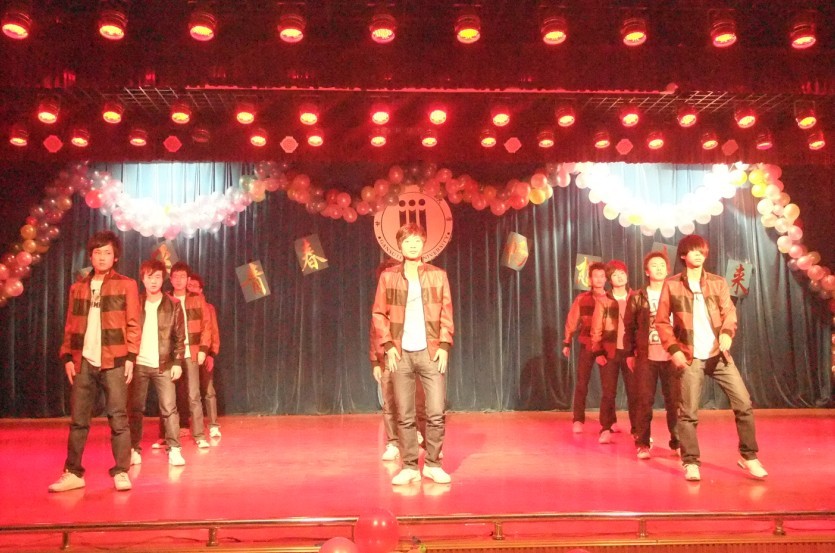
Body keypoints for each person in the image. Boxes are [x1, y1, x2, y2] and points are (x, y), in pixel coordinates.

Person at [655, 234, 767, 482]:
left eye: (702, 251)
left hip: (718, 354)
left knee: (744, 403)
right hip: (690, 355)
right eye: (693, 251)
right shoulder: (672, 285)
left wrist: (727, 333)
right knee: (688, 412)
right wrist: (673, 349)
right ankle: (690, 461)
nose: (699, 255)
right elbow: (661, 321)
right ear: (683, 255)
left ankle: (748, 456)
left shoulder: (717, 282)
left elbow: (729, 313)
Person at [49, 230, 140, 492]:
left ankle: (121, 471)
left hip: (114, 359)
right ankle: (73, 472)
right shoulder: (78, 287)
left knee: (118, 418)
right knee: (78, 420)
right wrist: (68, 356)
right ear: (90, 256)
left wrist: (131, 356)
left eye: (107, 253)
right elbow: (71, 325)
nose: (102, 257)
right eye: (97, 252)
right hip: (84, 360)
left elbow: (134, 323)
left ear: (115, 257)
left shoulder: (126, 285)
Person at [372, 224, 454, 485]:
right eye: (407, 241)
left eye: (417, 240)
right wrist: (388, 345)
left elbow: (446, 313)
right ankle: (409, 466)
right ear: (400, 245)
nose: (413, 245)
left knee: (436, 411)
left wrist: (444, 345)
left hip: (430, 352)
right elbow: (378, 314)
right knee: (405, 414)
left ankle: (433, 464)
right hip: (401, 353)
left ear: (424, 243)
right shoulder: (389, 277)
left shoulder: (438, 275)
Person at [128, 259, 186, 467]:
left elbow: (180, 336)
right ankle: (133, 449)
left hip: (165, 364)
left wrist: (177, 362)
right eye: (149, 277)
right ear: (142, 279)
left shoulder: (173, 304)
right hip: (139, 363)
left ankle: (174, 449)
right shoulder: (135, 302)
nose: (153, 281)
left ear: (163, 279)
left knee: (169, 408)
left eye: (158, 277)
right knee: (135, 409)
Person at [622, 251, 680, 460]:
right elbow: (629, 328)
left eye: (662, 265)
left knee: (674, 402)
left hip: (672, 356)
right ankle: (643, 443)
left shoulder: (676, 293)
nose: (659, 268)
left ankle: (677, 442)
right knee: (644, 401)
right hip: (647, 357)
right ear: (647, 271)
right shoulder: (638, 296)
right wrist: (630, 354)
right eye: (654, 265)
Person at [370, 258, 429, 462]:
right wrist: (375, 362)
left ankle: (422, 438)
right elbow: (374, 333)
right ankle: (393, 442)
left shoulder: (411, 299)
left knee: (418, 401)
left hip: (412, 353)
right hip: (387, 358)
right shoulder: (380, 306)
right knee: (390, 402)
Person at [590, 260, 638, 444]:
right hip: (610, 352)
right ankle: (606, 428)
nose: (620, 277)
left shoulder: (636, 297)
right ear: (610, 279)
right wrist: (598, 352)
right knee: (608, 393)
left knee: (634, 393)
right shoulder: (604, 301)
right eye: (615, 274)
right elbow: (596, 328)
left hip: (631, 352)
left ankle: (637, 429)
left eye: (622, 273)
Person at [169, 262, 212, 448]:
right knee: (168, 397)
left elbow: (207, 325)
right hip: (171, 354)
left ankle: (199, 435)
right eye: (175, 276)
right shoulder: (166, 299)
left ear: (188, 279)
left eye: (182, 277)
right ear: (170, 279)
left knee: (194, 395)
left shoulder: (197, 299)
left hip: (192, 351)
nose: (179, 280)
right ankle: (168, 436)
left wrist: (203, 349)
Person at [562, 262, 608, 436]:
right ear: (590, 279)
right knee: (582, 383)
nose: (599, 279)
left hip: (605, 346)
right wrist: (567, 342)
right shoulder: (582, 299)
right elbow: (572, 321)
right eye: (596, 276)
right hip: (587, 344)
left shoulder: (611, 298)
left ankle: (608, 422)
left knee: (608, 386)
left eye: (602, 276)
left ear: (606, 279)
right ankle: (578, 419)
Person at [187, 273, 222, 439]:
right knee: (189, 392)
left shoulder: (208, 307)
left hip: (204, 353)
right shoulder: (182, 304)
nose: (192, 288)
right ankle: (186, 425)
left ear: (201, 290)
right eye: (190, 286)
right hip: (188, 355)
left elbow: (213, 331)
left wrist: (211, 354)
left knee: (208, 390)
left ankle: (214, 424)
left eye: (195, 286)